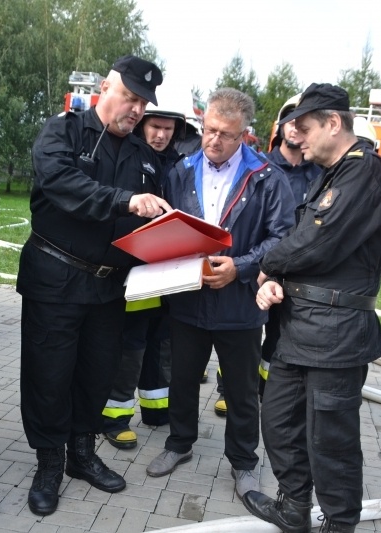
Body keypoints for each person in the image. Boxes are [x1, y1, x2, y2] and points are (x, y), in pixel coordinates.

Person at [16, 55, 169, 517]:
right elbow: (63, 185)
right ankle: (48, 462)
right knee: (49, 375)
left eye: (143, 102)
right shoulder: (63, 132)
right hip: (56, 279)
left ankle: (82, 453)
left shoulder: (144, 157)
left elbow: (155, 217)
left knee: (95, 374)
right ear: (106, 88)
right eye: (129, 96)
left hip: (108, 288)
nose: (136, 109)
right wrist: (127, 201)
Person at [242, 83, 381, 533]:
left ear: (334, 123)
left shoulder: (366, 173)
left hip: (336, 334)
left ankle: (339, 523)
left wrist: (266, 265)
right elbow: (304, 244)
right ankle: (293, 507)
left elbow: (318, 241)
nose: (297, 137)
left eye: (305, 127)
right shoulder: (331, 175)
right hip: (298, 329)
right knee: (277, 421)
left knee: (330, 441)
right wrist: (275, 280)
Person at [145, 88, 294, 499]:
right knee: (183, 378)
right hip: (188, 299)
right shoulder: (179, 171)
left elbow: (281, 239)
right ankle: (179, 443)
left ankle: (244, 462)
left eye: (226, 135)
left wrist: (241, 268)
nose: (214, 140)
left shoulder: (266, 178)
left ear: (245, 134)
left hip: (239, 305)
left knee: (243, 390)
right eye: (209, 130)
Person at [101, 102, 186, 449]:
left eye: (168, 129)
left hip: (171, 269)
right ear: (142, 126)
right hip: (136, 269)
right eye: (155, 127)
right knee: (132, 341)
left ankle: (156, 408)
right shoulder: (130, 158)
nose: (161, 135)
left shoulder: (181, 165)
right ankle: (115, 416)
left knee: (162, 339)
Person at [258, 94, 323, 397]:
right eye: (290, 122)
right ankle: (227, 388)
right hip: (260, 263)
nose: (295, 129)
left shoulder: (319, 174)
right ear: (280, 126)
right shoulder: (260, 166)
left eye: (302, 124)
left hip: (296, 268)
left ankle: (267, 386)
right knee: (245, 329)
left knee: (278, 332)